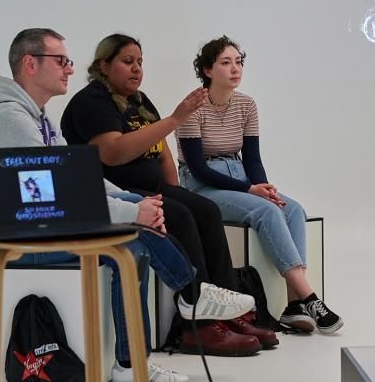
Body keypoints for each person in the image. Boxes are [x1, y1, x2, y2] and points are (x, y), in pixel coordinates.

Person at [0, 28, 257, 382]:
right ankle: (192, 296)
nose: (70, 68)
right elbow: (64, 196)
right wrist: (132, 214)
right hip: (20, 240)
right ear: (30, 64)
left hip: (39, 225)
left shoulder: (37, 119)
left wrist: (133, 203)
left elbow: (80, 178)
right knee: (134, 234)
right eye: (61, 60)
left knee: (134, 241)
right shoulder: (12, 121)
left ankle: (133, 361)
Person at [61, 33, 277, 355]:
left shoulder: (139, 100)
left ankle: (229, 315)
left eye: (140, 62)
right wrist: (175, 119)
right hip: (118, 193)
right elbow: (113, 153)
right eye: (127, 61)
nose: (137, 69)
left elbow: (161, 150)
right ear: (103, 66)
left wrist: (174, 188)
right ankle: (199, 327)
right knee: (181, 216)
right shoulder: (93, 102)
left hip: (152, 187)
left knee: (206, 210)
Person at [176, 36, 344, 334]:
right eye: (225, 63)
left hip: (239, 175)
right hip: (202, 185)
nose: (235, 69)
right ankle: (310, 298)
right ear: (207, 70)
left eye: (238, 62)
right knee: (265, 211)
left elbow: (252, 159)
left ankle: (293, 305)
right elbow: (199, 170)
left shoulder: (247, 105)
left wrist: (263, 187)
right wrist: (250, 191)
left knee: (292, 209)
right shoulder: (193, 107)